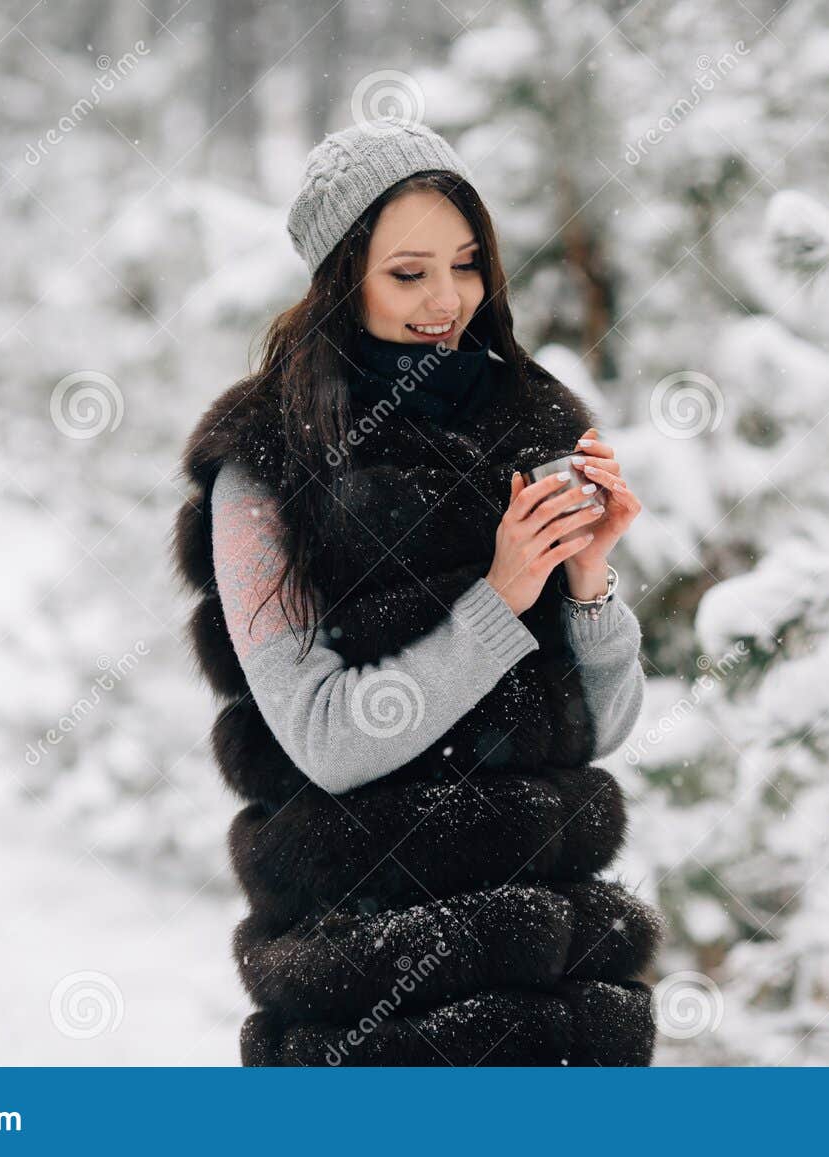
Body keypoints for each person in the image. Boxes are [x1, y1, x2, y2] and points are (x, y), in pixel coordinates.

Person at [172, 117, 664, 1066]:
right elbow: (326, 739)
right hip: (379, 1000)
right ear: (339, 276)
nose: (448, 299)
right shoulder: (267, 471)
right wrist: (501, 597)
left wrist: (591, 579)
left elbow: (594, 732)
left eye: (469, 263)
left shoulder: (529, 420)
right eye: (409, 272)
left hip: (557, 995)